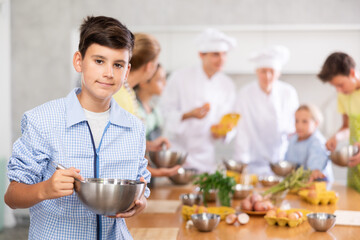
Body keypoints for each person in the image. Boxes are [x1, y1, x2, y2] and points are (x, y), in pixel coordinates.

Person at [4, 16, 150, 240]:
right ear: (79, 61)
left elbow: (141, 185)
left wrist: (139, 203)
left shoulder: (135, 129)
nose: (109, 73)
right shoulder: (42, 120)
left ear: (127, 71)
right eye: (99, 61)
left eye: (118, 65)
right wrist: (45, 189)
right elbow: (12, 197)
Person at [159, 28, 237, 173]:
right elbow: (163, 113)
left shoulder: (227, 85)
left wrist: (223, 132)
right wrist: (188, 115)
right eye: (215, 54)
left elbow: (230, 120)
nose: (221, 59)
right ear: (201, 54)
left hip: (206, 158)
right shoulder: (179, 77)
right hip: (178, 155)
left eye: (224, 54)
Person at [113, 33, 180, 177]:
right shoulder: (121, 97)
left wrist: (149, 145)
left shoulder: (125, 92)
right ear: (149, 66)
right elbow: (120, 155)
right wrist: (157, 172)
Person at [233, 45, 299, 175]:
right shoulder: (245, 93)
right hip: (251, 161)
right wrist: (242, 160)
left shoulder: (288, 92)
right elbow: (242, 129)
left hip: (281, 162)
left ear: (278, 73)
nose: (267, 76)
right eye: (263, 71)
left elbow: (293, 127)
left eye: (272, 71)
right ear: (256, 71)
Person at [317, 52, 360, 191]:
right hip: (355, 165)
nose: (338, 90)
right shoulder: (343, 95)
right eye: (334, 86)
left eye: (340, 84)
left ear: (352, 73)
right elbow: (347, 127)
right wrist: (336, 137)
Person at [285, 104, 334, 182]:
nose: (299, 126)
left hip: (318, 183)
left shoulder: (317, 142)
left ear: (316, 123)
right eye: (296, 121)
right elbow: (288, 163)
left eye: (305, 121)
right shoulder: (293, 139)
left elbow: (315, 164)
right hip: (299, 182)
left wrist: (315, 171)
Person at [135, 64, 166, 141]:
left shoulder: (155, 110)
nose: (165, 84)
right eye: (159, 80)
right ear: (143, 82)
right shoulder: (134, 109)